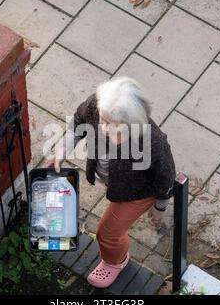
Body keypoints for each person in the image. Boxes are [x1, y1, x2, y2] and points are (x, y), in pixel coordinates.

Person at [47, 77, 176, 288]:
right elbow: (78, 122)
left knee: (107, 233)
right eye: (103, 120)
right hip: (117, 182)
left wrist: (160, 206)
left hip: (137, 192)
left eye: (116, 126)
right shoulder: (97, 105)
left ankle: (116, 261)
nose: (106, 128)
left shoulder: (152, 141)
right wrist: (62, 151)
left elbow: (166, 175)